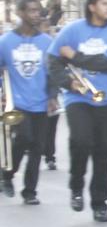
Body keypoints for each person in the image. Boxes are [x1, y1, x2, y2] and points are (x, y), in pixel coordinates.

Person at [46, 0, 107, 222]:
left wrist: (74, 56)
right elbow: (53, 60)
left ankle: (100, 202)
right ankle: (76, 186)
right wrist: (67, 83)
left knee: (104, 150)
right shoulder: (73, 29)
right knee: (81, 141)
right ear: (92, 6)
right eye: (104, 3)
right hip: (79, 98)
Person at [0, 0, 55, 205]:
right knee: (23, 138)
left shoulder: (46, 42)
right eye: (31, 11)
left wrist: (52, 96)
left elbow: (53, 72)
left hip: (40, 102)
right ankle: (7, 173)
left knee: (37, 148)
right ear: (20, 13)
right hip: (18, 102)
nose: (36, 15)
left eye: (38, 11)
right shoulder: (5, 42)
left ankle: (30, 191)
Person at [39, 16, 59, 171]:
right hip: (30, 97)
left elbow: (54, 71)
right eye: (43, 27)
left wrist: (53, 96)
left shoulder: (51, 44)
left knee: (51, 126)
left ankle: (50, 156)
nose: (46, 31)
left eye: (48, 28)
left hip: (50, 92)